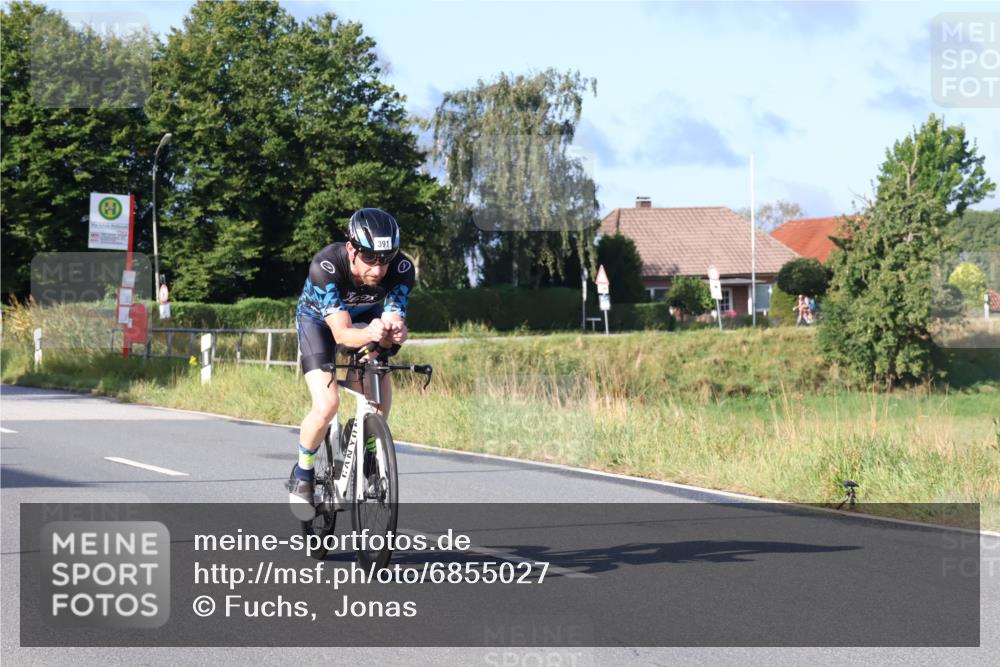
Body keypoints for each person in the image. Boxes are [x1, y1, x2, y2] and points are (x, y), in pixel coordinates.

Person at [288, 208, 414, 519]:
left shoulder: (401, 268)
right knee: (327, 404)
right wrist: (371, 331)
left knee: (378, 388)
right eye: (370, 257)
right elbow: (342, 334)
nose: (379, 267)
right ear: (351, 250)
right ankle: (303, 472)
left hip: (365, 321)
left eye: (386, 258)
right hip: (319, 323)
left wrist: (394, 333)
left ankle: (369, 452)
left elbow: (393, 321)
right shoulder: (326, 266)